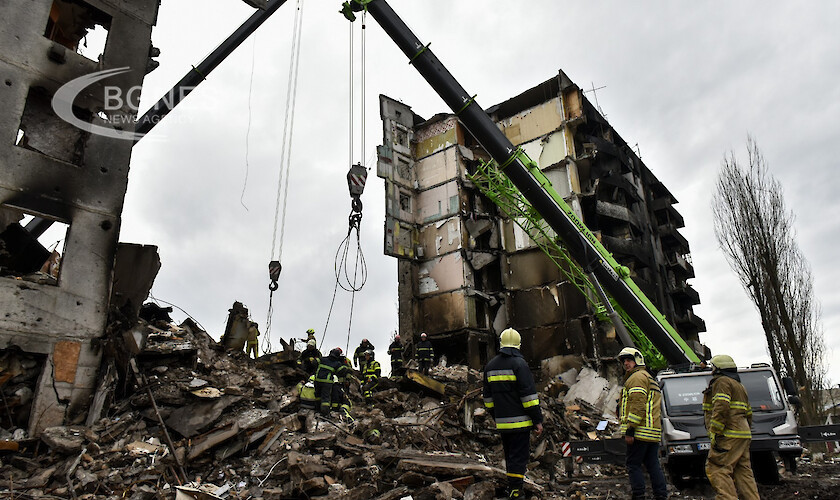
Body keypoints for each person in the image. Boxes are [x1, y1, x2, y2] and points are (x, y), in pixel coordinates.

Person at [482, 328, 543, 499]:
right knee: (519, 457)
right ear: (518, 344)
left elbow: (487, 399)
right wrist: (537, 420)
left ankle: (513, 488)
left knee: (510, 456)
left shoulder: (490, 366)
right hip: (521, 423)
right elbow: (529, 397)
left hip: (502, 423)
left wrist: (496, 416)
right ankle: (516, 491)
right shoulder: (520, 365)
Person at [703, 354, 759, 500]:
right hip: (743, 434)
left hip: (728, 434)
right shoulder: (739, 386)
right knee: (743, 471)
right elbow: (749, 413)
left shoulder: (722, 382)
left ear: (718, 368)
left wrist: (715, 431)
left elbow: (721, 407)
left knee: (717, 468)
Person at [618, 347, 668, 500]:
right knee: (653, 465)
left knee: (633, 464)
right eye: (624, 361)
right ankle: (660, 495)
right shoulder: (648, 377)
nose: (626, 364)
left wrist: (630, 429)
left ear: (637, 360)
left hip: (639, 431)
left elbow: (638, 404)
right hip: (652, 432)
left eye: (629, 360)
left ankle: (639, 495)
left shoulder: (636, 378)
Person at [314, 347, 350, 416]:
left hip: (317, 380)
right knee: (325, 399)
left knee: (318, 396)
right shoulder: (336, 363)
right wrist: (344, 365)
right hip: (327, 382)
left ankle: (317, 410)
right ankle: (325, 413)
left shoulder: (323, 359)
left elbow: (314, 362)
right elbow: (342, 372)